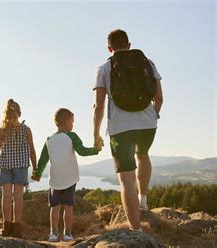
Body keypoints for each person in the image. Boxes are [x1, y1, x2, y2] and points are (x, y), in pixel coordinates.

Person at [92, 29, 163, 231]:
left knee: (126, 179)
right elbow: (159, 98)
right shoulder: (148, 63)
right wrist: (153, 115)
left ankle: (136, 230)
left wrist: (96, 134)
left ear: (109, 48)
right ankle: (143, 199)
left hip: (120, 129)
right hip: (148, 125)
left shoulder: (104, 68)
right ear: (129, 45)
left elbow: (98, 107)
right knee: (142, 154)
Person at [32, 108, 101, 242]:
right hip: (70, 177)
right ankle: (68, 234)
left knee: (55, 207)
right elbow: (82, 151)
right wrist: (96, 150)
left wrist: (37, 173)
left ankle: (53, 234)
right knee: (68, 206)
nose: (73, 125)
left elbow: (42, 160)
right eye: (72, 121)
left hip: (55, 179)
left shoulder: (49, 140)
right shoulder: (72, 136)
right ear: (67, 121)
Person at [0, 99, 37, 238]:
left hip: (5, 165)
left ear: (5, 114)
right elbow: (32, 150)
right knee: (18, 196)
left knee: (6, 196)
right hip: (21, 166)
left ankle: (6, 226)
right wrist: (36, 168)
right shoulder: (26, 130)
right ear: (19, 113)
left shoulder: (1, 130)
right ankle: (17, 228)